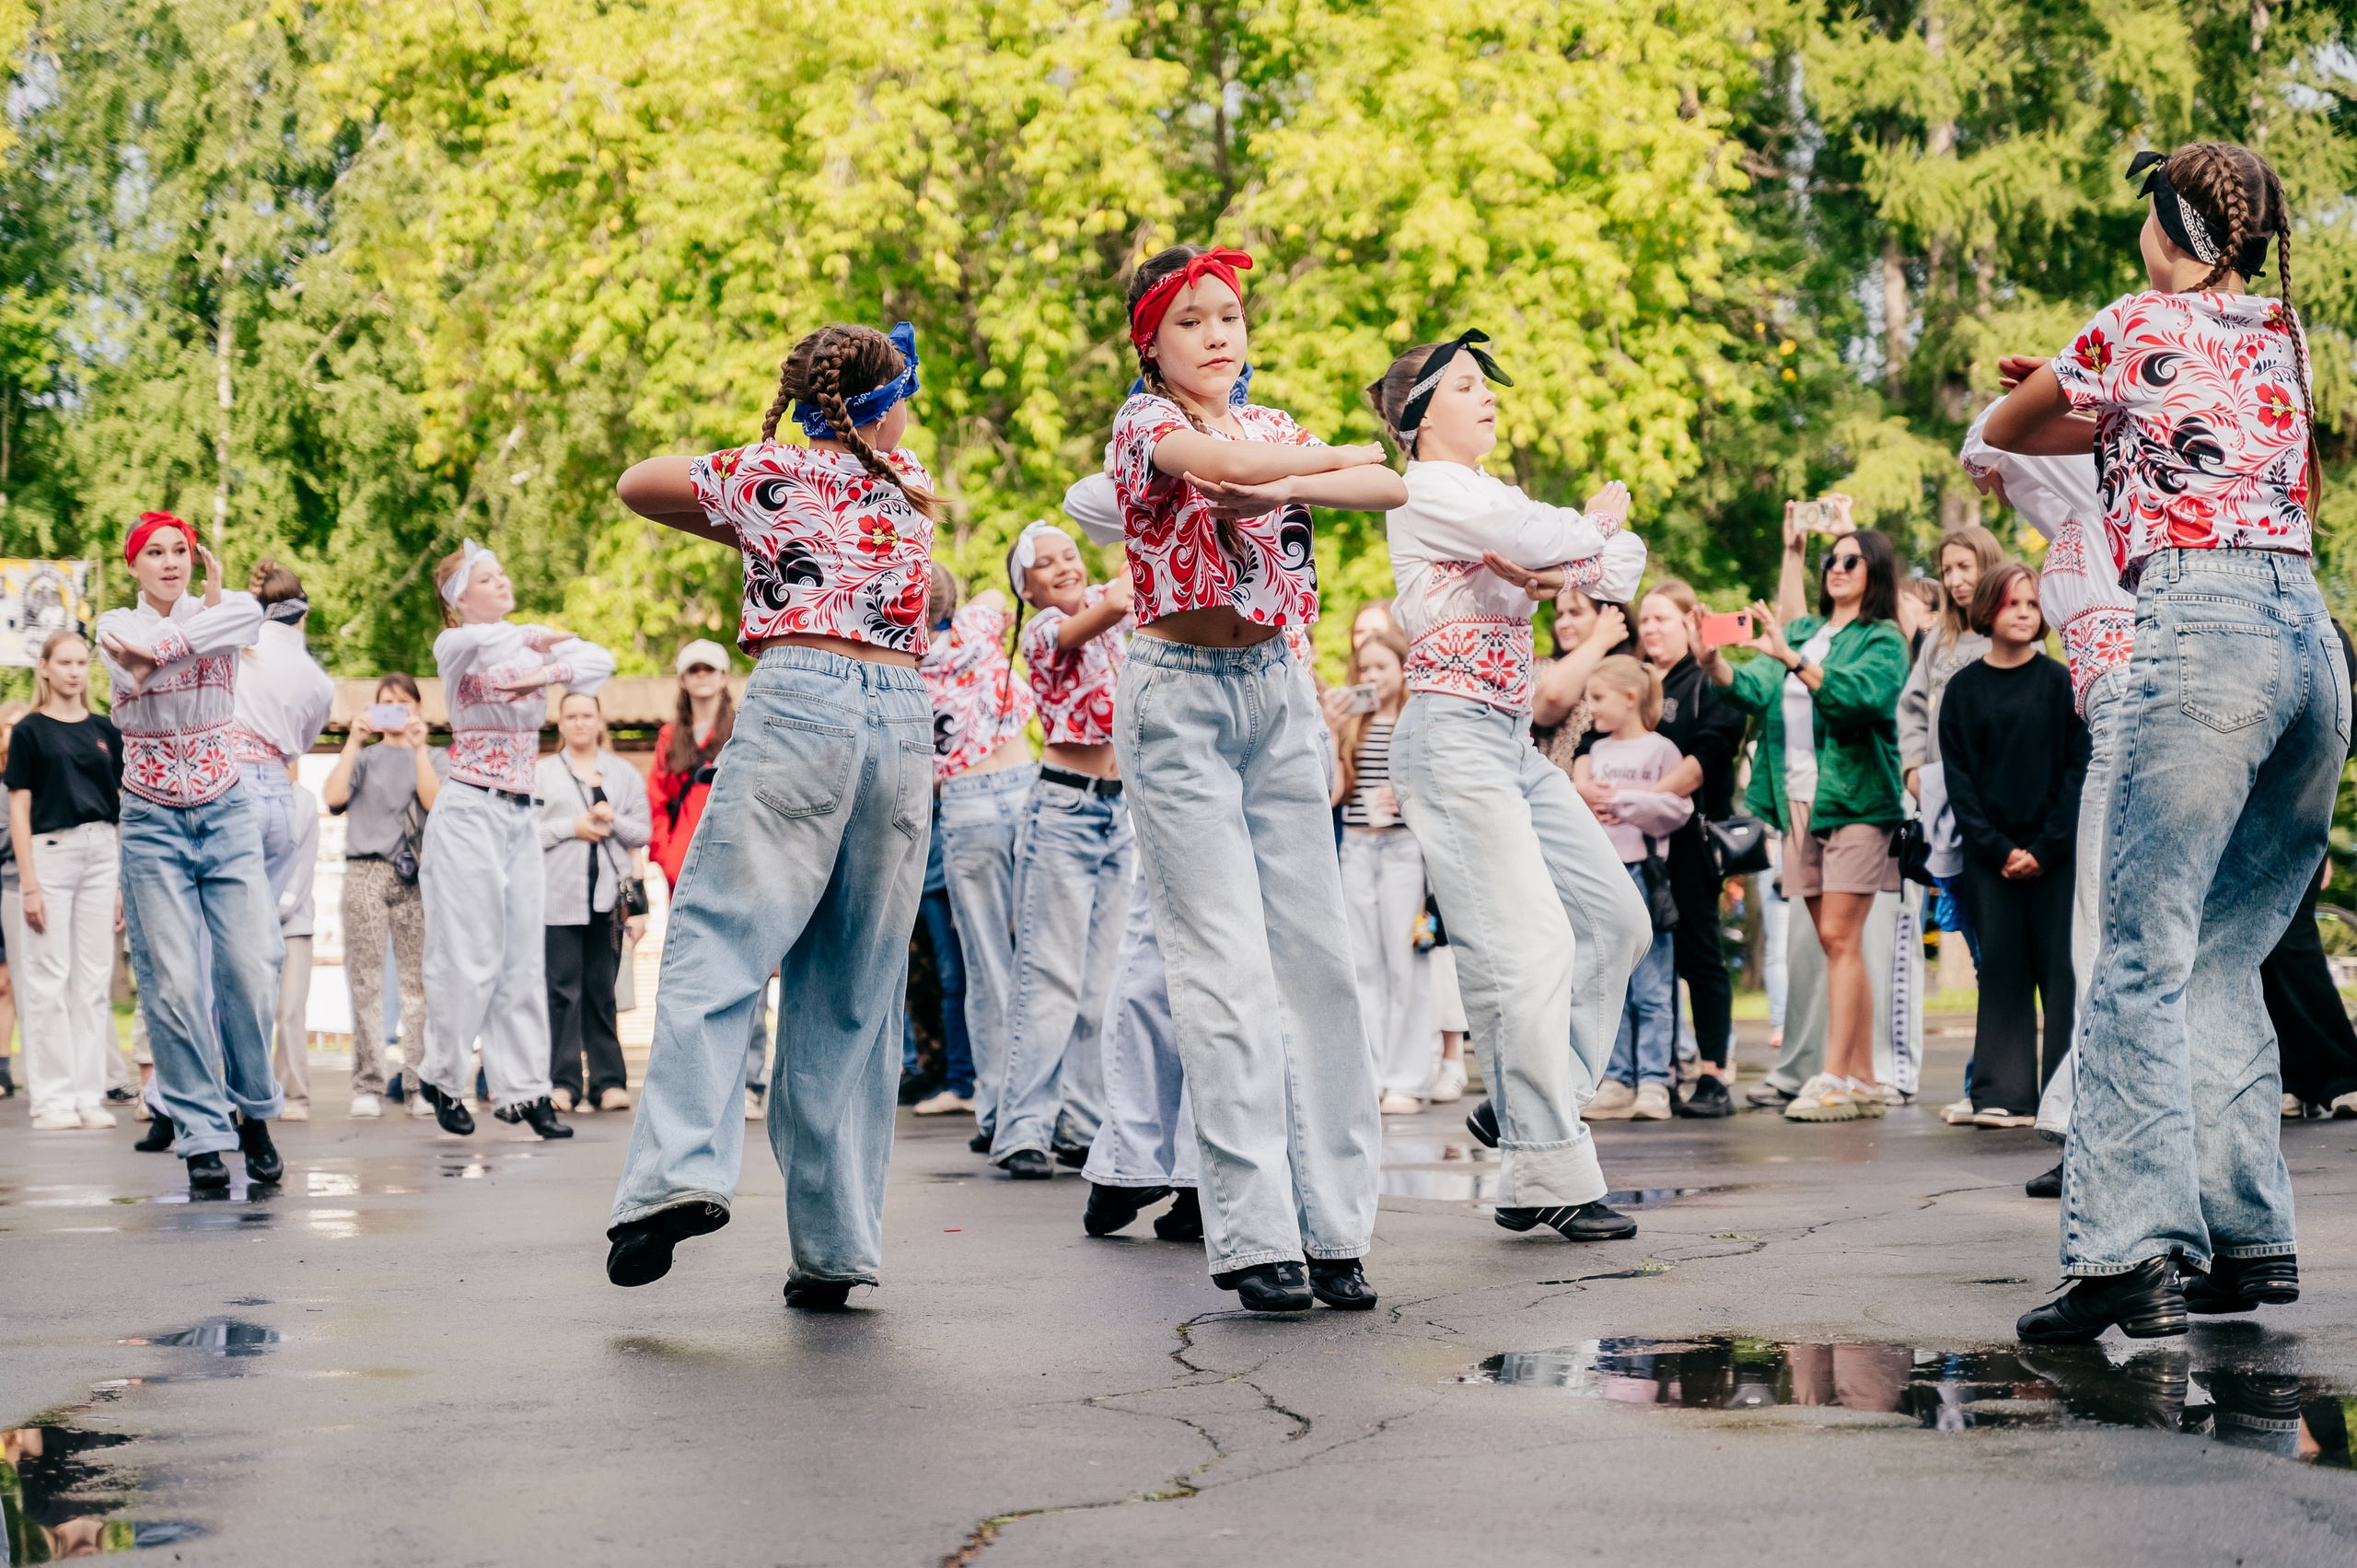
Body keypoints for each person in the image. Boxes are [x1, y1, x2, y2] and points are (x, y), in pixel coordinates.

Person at [1987, 142, 2341, 1342]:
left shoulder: (2129, 321)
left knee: (2138, 955)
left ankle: (2126, 1253)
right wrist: (2109, 401)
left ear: (2168, 227)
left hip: (2202, 629)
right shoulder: (2282, 333)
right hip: (2309, 645)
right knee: (2224, 952)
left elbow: (2006, 428)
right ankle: (2248, 1238)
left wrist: (2072, 383)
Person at [605, 320, 937, 1310]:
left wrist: (748, 518)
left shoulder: (766, 473)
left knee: (721, 941)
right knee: (854, 987)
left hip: (802, 698)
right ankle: (835, 1247)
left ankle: (676, 1176)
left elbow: (636, 482)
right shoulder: (911, 482)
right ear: (887, 408)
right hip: (901, 719)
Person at [1108, 244, 1406, 1313]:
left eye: (1227, 316)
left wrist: (1282, 476)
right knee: (1223, 966)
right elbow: (1209, 465)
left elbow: (1387, 481)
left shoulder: (1271, 426)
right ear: (1151, 343)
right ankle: (1255, 1232)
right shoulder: (1144, 425)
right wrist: (1299, 468)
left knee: (1319, 962)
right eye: (1189, 320)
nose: (1215, 334)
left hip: (1278, 688)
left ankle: (1336, 1227)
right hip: (1178, 694)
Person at [1374, 328, 1650, 1246]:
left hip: (1508, 741)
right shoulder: (1426, 489)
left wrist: (1574, 547)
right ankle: (1547, 1170)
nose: (1487, 395)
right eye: (1464, 384)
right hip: (1450, 738)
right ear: (1419, 418)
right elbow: (1562, 542)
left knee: (1615, 920)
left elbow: (1619, 569)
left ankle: (1532, 1104)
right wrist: (1583, 532)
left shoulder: (1490, 492)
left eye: (1483, 383)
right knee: (1529, 949)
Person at [1957, 394, 2128, 1192]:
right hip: (2118, 709)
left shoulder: (2102, 487)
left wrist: (2047, 394)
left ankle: (2100, 1140)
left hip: (2131, 705)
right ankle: (2094, 1127)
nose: (1993, 488)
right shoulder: (2067, 515)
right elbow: (1985, 446)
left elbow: (1986, 436)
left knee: (2099, 937)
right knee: (2108, 937)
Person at [97, 515, 280, 1193]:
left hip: (225, 808)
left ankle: (253, 1110)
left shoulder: (225, 610)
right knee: (173, 982)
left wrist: (172, 643)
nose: (170, 561)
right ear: (133, 565)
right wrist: (185, 636)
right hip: (150, 818)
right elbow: (126, 662)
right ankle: (201, 1132)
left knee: (252, 966)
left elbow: (250, 615)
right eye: (155, 552)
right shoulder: (114, 624)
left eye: (180, 550)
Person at [1717, 507, 1910, 1123]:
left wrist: (1793, 660)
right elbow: (1755, 684)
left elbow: (1862, 698)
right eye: (1832, 559)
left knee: (1838, 937)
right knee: (1835, 945)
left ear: (1876, 572)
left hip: (1856, 799)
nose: (1837, 567)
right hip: (1797, 801)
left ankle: (1834, 1077)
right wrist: (1712, 660)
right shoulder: (1804, 630)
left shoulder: (1883, 639)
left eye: (1852, 559)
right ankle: (1862, 1079)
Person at [419, 540, 612, 1140]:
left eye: (502, 572)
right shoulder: (457, 646)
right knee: (469, 955)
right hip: (469, 809)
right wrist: (534, 638)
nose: (502, 581)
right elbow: (483, 642)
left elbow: (598, 659)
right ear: (459, 598)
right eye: (487, 578)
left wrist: (547, 669)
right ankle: (443, 1076)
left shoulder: (526, 647)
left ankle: (524, 1089)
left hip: (521, 812)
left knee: (524, 955)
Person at [992, 520, 1132, 1176]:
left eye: (1070, 554)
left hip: (1118, 809)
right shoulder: (1046, 630)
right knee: (1050, 977)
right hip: (1064, 811)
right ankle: (1022, 1126)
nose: (1064, 567)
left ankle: (1079, 1120)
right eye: (1045, 564)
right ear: (1027, 588)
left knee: (1101, 984)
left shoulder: (1108, 605)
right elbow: (1113, 604)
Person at [1938, 563, 2086, 1128]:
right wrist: (1997, 849)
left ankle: (2062, 1095)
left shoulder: (2062, 684)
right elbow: (1959, 782)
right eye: (2012, 603)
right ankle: (2002, 1093)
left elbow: (2078, 772)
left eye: (2032, 603)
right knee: (2001, 970)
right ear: (1987, 610)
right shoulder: (1962, 690)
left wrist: (2046, 848)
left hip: (2056, 855)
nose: (2025, 612)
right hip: (1990, 859)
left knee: (2061, 974)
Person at [921, 565, 1036, 1156]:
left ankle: (997, 1109)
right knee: (1047, 960)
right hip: (1025, 783)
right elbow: (996, 594)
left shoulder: (900, 664)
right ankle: (1052, 1110)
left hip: (965, 799)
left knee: (988, 966)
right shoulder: (978, 626)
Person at [1632, 580, 1747, 1116]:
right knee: (1648, 957)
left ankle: (1714, 1074)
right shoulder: (1633, 681)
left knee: (1700, 954)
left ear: (1689, 622)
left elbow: (1708, 757)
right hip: (1633, 841)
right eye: (1645, 619)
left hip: (1690, 839)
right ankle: (1657, 1072)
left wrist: (1639, 799)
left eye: (1662, 618)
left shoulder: (1706, 680)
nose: (1651, 628)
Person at [645, 640, 770, 1117]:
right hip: (684, 874)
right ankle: (696, 1085)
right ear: (683, 679)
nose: (702, 676)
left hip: (739, 869)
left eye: (710, 669)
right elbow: (656, 804)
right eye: (693, 669)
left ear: (723, 677)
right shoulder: (668, 737)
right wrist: (666, 856)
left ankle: (749, 1082)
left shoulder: (745, 728)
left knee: (748, 974)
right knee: (690, 978)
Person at [6, 632, 123, 1132]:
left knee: (94, 981)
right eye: (65, 663)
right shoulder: (30, 731)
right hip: (50, 853)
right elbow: (19, 809)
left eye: (81, 663)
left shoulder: (105, 729)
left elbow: (119, 806)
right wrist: (30, 885)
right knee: (48, 977)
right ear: (46, 668)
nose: (74, 671)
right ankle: (52, 1100)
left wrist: (120, 882)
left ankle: (88, 1095)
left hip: (101, 852)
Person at [321, 673, 445, 1119]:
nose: (395, 709)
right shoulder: (363, 757)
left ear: (418, 707)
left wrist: (418, 747)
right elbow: (333, 797)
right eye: (386, 702)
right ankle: (368, 1083)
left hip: (415, 873)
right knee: (366, 980)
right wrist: (353, 740)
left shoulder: (434, 756)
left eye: (403, 702)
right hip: (365, 870)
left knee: (418, 983)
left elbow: (435, 804)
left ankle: (419, 1084)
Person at [1574, 656, 1691, 1121]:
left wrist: (1624, 802)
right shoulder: (1596, 753)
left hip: (1644, 874)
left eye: (1598, 698)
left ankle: (1655, 1081)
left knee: (1653, 984)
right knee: (1610, 984)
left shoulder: (1662, 750)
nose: (1590, 708)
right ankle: (1617, 1079)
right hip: (1601, 877)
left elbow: (1677, 810)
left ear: (1629, 698)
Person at [1330, 623, 1434, 1114]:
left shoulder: (1417, 719)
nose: (1372, 675)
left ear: (1403, 667)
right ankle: (1369, 1076)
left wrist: (1407, 796)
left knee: (1405, 964)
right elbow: (1333, 793)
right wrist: (1332, 731)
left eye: (1381, 666)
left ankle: (1407, 1078)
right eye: (1364, 668)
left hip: (1403, 850)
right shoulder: (1353, 723)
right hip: (1356, 847)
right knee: (1363, 965)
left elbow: (1436, 789)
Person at [538, 692, 651, 1114]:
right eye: (571, 716)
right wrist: (572, 827)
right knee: (560, 992)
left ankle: (608, 1081)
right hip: (556, 899)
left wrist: (612, 819)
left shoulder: (623, 773)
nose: (580, 722)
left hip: (608, 903)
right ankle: (563, 1082)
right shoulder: (542, 773)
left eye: (587, 715)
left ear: (600, 720)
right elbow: (523, 833)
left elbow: (643, 833)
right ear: (560, 723)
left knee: (603, 992)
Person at [228, 561, 333, 905]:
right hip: (279, 792)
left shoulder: (234, 653)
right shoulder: (320, 683)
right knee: (263, 917)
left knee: (217, 915)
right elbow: (302, 744)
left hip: (231, 782)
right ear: (304, 610)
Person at [1529, 590, 1631, 775]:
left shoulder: (1631, 670)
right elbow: (1553, 697)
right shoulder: (1547, 669)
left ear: (1607, 614)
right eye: (1560, 614)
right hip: (1559, 788)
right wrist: (1600, 641)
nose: (1563, 624)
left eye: (1575, 613)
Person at [268, 784, 321, 1120]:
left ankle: (293, 1094)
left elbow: (301, 869)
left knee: (289, 1011)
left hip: (293, 921)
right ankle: (251, 1094)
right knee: (248, 1013)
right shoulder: (238, 791)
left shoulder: (303, 800)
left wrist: (272, 912)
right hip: (244, 920)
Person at [0, 702, 22, 1099]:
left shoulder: (31, 778)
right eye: (10, 726)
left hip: (15, 883)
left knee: (6, 982)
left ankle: (3, 1068)